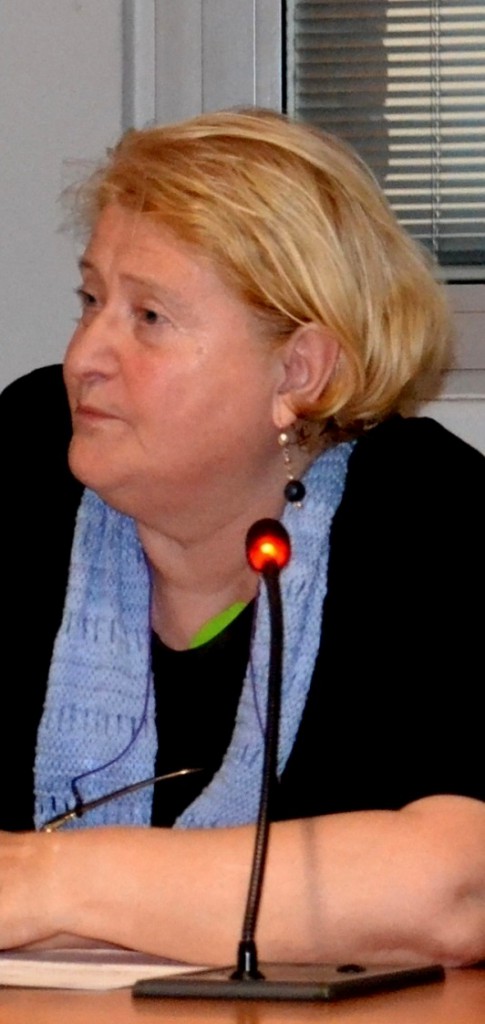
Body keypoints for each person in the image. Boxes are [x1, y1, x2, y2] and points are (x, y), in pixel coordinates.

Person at [1, 108, 484, 967]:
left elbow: (455, 885)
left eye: (149, 317)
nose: (84, 357)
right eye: (92, 301)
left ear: (298, 370)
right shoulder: (23, 455)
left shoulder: (426, 516)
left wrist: (48, 882)